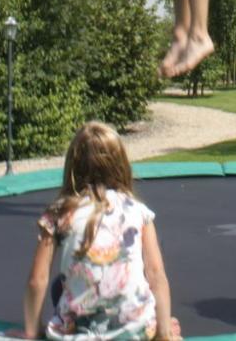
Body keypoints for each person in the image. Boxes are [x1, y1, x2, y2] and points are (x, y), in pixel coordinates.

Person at [15, 122, 181, 341]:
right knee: (67, 285)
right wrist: (163, 332)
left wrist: (32, 332)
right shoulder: (138, 212)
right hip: (135, 332)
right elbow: (156, 275)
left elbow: (37, 279)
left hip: (77, 335)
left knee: (60, 285)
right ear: (120, 164)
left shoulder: (59, 213)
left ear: (72, 166)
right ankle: (147, 324)